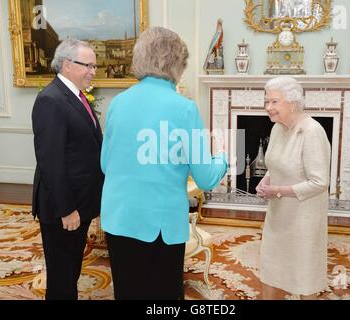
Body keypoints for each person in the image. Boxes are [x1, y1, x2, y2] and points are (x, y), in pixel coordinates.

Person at [100, 26, 228, 300]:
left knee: (128, 291)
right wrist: (224, 159)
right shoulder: (183, 107)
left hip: (118, 217)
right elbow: (205, 178)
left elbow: (105, 164)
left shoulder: (118, 102)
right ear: (177, 65)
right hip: (158, 225)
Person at [31, 38, 104, 300]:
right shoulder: (51, 100)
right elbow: (50, 161)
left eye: (95, 66)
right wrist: (66, 209)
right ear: (66, 64)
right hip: (63, 207)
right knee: (62, 276)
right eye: (88, 65)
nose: (93, 71)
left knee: (71, 269)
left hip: (79, 203)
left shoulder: (76, 96)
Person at [255, 76, 331, 300]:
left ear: (293, 102)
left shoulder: (312, 132)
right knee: (271, 267)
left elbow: (319, 182)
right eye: (266, 101)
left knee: (302, 274)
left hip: (303, 218)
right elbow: (278, 162)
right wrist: (266, 180)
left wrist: (277, 190)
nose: (268, 107)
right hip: (278, 214)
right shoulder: (278, 128)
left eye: (274, 102)